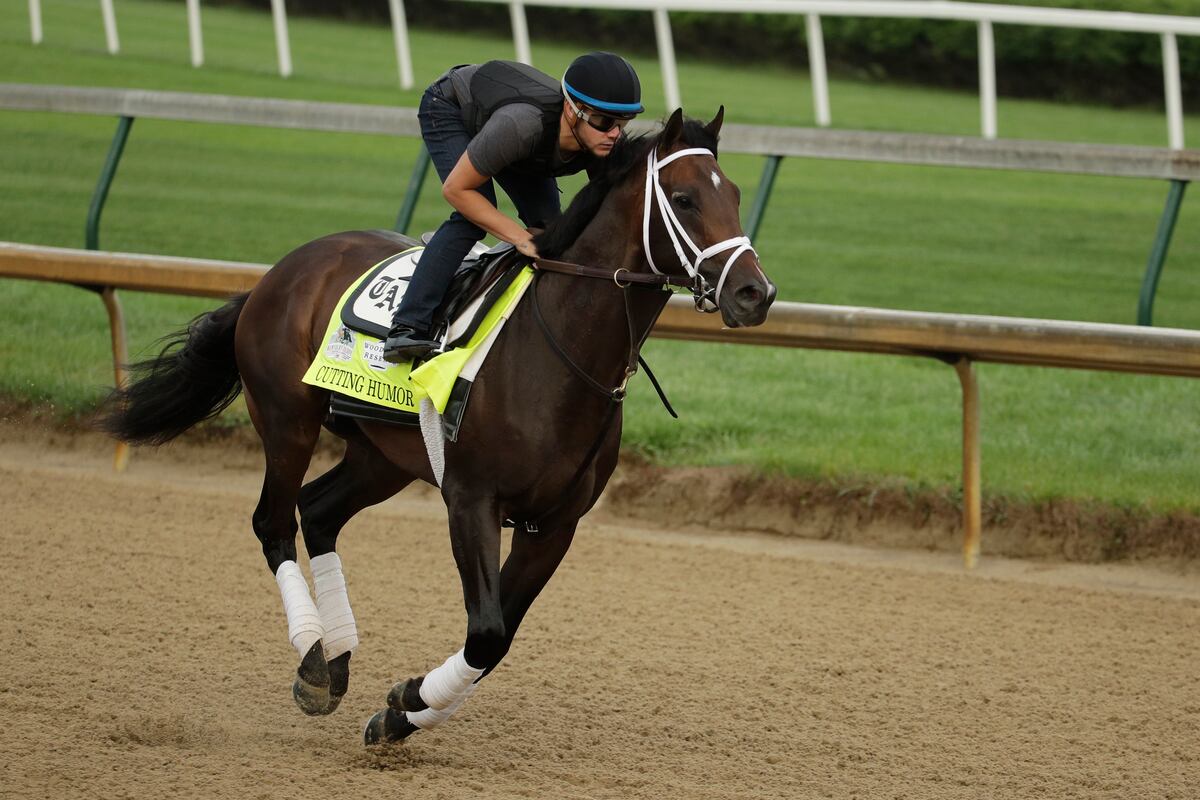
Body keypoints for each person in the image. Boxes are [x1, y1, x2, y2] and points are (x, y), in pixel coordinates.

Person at [382, 52, 644, 363]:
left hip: (520, 140)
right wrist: (520, 238)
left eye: (623, 123)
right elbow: (456, 190)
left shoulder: (601, 138)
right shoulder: (521, 126)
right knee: (474, 218)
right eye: (604, 122)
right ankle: (408, 326)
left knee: (551, 232)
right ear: (573, 112)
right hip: (453, 107)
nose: (615, 134)